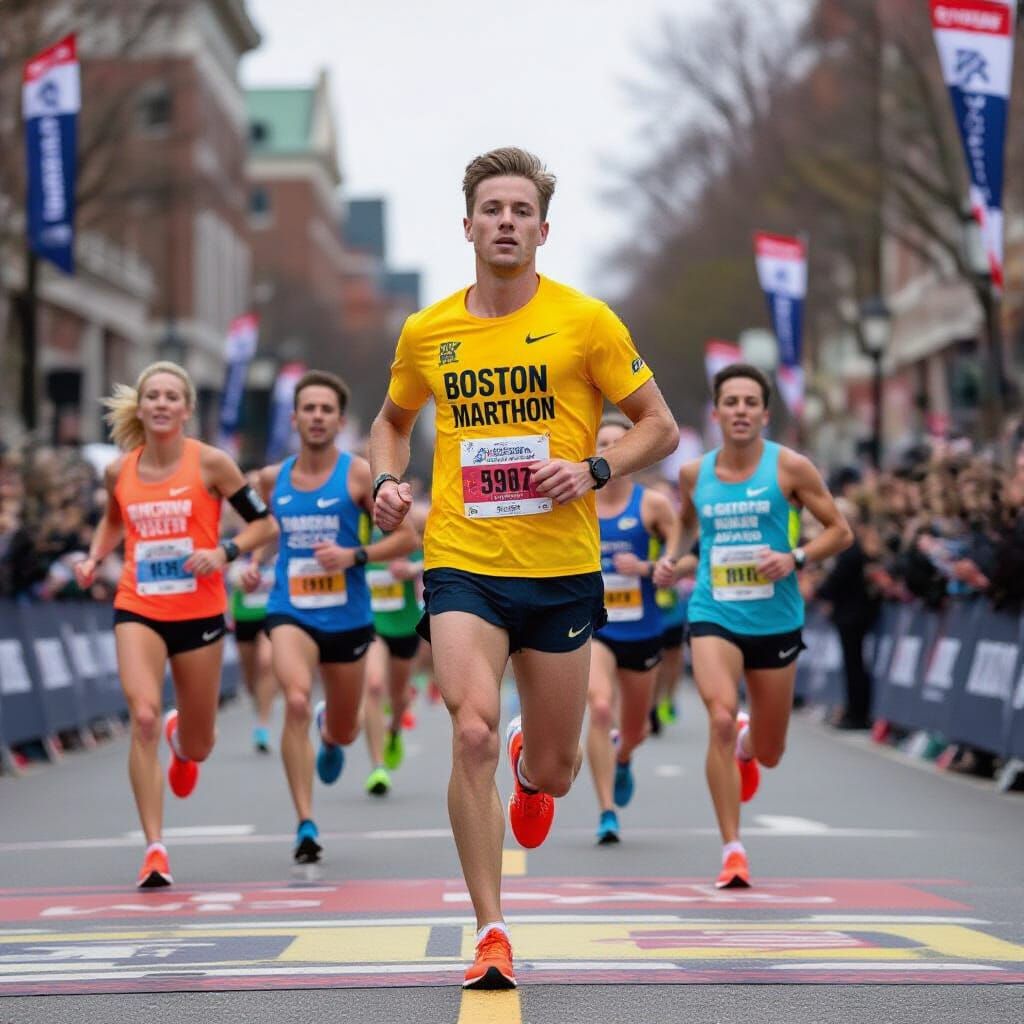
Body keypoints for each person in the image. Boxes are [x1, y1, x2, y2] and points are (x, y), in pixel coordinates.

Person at [370, 146, 678, 989]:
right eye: (491, 209)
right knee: (466, 729)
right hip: (463, 560)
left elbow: (660, 425)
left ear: (543, 228)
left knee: (556, 768)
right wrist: (389, 482)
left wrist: (595, 470)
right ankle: (491, 929)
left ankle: (530, 765)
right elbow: (391, 421)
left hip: (561, 568)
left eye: (520, 211)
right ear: (467, 224)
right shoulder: (428, 330)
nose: (505, 222)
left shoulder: (588, 322)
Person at [74, 361, 278, 888]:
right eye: (153, 396)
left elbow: (264, 524)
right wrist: (96, 558)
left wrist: (224, 551)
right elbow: (114, 519)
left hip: (200, 613)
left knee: (200, 742)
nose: (161, 404)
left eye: (171, 396)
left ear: (187, 409)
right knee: (141, 715)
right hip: (138, 604)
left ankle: (182, 742)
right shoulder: (121, 469)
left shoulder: (211, 463)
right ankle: (155, 848)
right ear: (140, 407)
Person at [654, 363, 851, 889]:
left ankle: (747, 747)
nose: (740, 410)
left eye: (750, 402)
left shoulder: (791, 469)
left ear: (764, 413)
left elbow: (841, 531)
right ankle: (732, 849)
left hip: (776, 618)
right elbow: (688, 526)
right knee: (719, 715)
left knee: (770, 751)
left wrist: (797, 557)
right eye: (731, 402)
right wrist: (672, 559)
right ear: (716, 413)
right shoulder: (695, 475)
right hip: (713, 610)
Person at [244, 370, 417, 865]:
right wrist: (251, 567)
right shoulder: (270, 479)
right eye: (308, 408)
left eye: (326, 410)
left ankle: (330, 732)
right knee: (294, 699)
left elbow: (406, 539)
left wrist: (354, 555)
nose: (316, 417)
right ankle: (305, 823)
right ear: (295, 417)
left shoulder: (360, 473)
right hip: (289, 610)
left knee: (346, 730)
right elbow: (259, 534)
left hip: (348, 616)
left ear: (339, 421)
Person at [586, 415, 677, 844]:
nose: (608, 448)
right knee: (601, 708)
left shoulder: (653, 504)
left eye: (618, 442)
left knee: (636, 728)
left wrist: (653, 566)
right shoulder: (578, 501)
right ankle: (606, 810)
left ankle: (623, 756)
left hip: (642, 630)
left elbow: (678, 545)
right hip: (594, 627)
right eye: (601, 441)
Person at [362, 503, 427, 796]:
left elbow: (436, 559)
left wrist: (412, 568)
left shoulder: (409, 536)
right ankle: (377, 767)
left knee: (400, 696)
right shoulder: (363, 537)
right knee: (374, 686)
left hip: (404, 626)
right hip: (372, 624)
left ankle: (395, 730)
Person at [226, 471, 277, 753]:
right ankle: (259, 705)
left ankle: (263, 723)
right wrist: (238, 574)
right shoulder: (237, 527)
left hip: (271, 608)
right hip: (245, 611)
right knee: (250, 675)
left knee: (267, 663)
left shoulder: (278, 525)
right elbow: (227, 563)